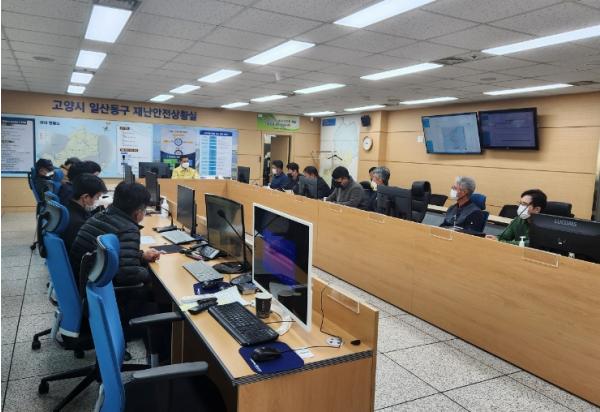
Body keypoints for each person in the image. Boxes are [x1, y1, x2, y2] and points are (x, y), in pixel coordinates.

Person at [70, 181, 162, 286]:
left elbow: (115, 253)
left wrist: (141, 256)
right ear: (138, 212)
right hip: (97, 286)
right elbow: (128, 275)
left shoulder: (100, 215)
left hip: (81, 279)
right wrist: (153, 275)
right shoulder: (128, 229)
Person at [62, 173, 107, 253]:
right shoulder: (79, 224)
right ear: (85, 197)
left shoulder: (68, 207)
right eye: (97, 197)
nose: (97, 200)